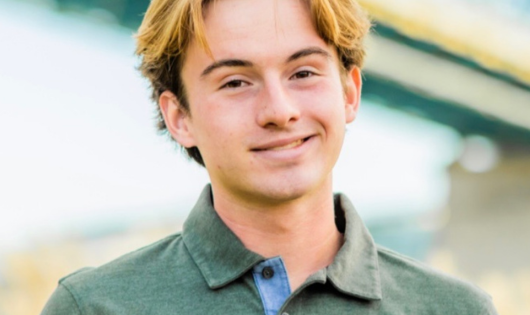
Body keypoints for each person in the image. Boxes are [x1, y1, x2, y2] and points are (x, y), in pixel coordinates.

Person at [41, 0, 498, 314]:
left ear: (349, 93)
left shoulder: (455, 308)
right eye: (236, 82)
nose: (280, 111)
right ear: (180, 117)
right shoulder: (94, 307)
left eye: (303, 72)